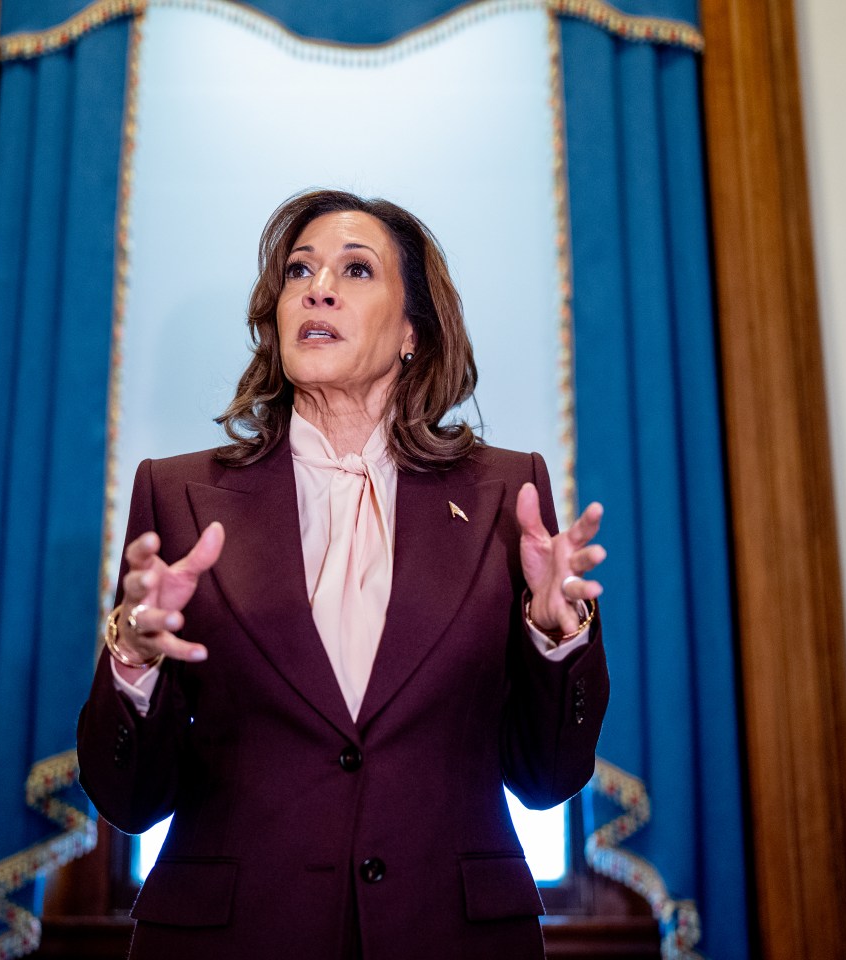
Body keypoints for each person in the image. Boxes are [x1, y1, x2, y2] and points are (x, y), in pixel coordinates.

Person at [77, 189, 610, 960]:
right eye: (300, 270)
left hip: (452, 939)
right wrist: (134, 659)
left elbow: (546, 778)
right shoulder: (176, 494)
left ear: (412, 332)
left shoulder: (506, 493)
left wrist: (556, 639)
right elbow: (129, 801)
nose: (318, 288)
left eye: (356, 270)